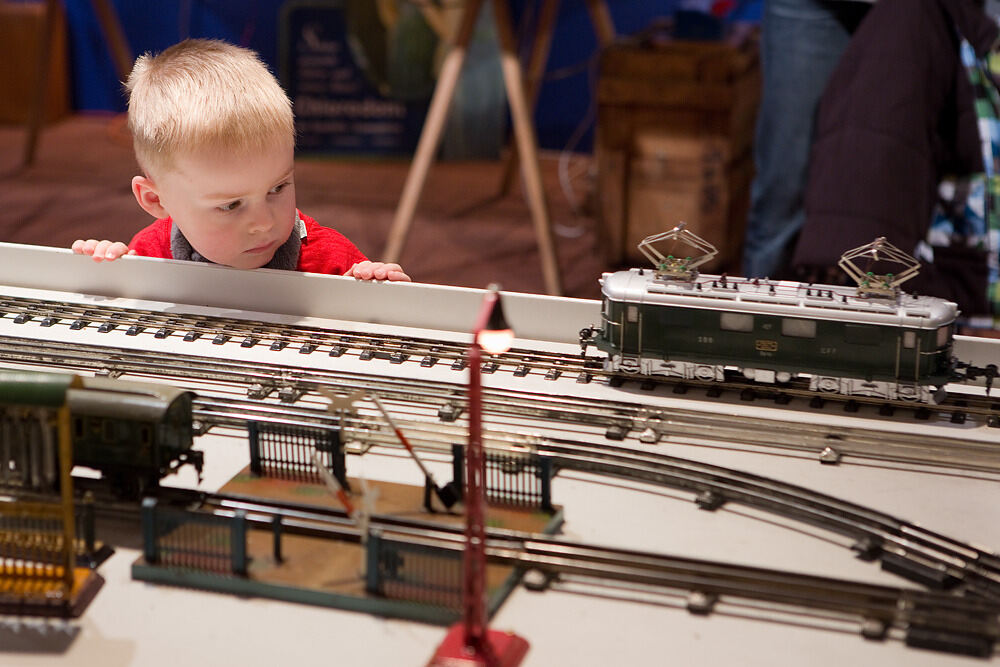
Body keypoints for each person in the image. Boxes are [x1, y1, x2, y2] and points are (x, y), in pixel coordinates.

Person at [71, 39, 409, 282]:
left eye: (277, 188)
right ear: (156, 200)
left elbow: (380, 333)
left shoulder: (332, 261)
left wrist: (376, 290)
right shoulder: (148, 255)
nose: (264, 223)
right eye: (231, 205)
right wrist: (105, 273)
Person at [740, 0, 871, 279]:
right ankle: (762, 302)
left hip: (913, 11)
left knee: (883, 190)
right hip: (809, 7)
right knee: (783, 191)